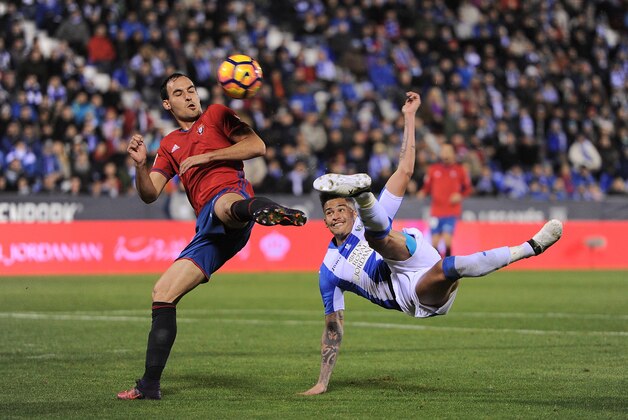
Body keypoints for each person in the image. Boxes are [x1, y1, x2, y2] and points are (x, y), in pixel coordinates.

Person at [301, 91, 562, 395]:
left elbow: (405, 170)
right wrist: (322, 382)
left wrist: (409, 117)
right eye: (328, 213)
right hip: (409, 292)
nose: (334, 216)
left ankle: (364, 194)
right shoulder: (329, 270)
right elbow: (333, 327)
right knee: (448, 265)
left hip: (411, 253)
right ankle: (531, 248)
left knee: (377, 235)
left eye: (340, 209)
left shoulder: (363, 224)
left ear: (351, 212)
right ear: (325, 221)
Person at [117, 73, 307, 400]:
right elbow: (150, 194)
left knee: (223, 203)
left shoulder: (217, 115)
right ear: (167, 103)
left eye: (191, 89)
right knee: (162, 292)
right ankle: (149, 386)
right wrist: (140, 167)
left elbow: (257, 146)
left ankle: (265, 209)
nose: (190, 96)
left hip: (230, 202)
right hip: (209, 231)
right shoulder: (169, 144)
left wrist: (207, 156)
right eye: (180, 93)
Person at [417, 143, 472, 257]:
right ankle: (438, 266)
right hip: (436, 211)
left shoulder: (460, 170)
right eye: (443, 151)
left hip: (451, 211)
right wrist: (422, 192)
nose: (445, 153)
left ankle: (447, 263)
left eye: (448, 151)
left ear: (453, 154)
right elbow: (427, 186)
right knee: (435, 243)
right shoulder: (433, 169)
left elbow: (468, 189)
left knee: (447, 241)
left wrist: (460, 195)